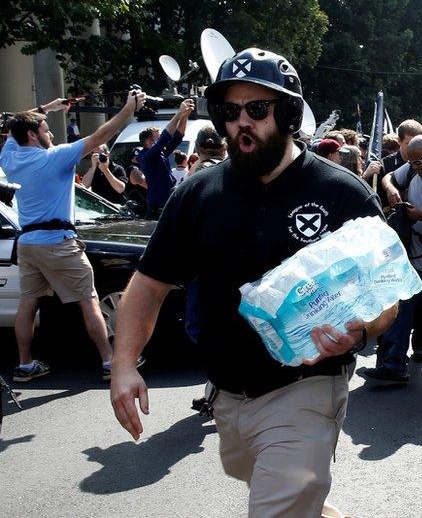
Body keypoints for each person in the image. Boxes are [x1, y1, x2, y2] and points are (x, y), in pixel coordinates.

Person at [109, 48, 396, 517]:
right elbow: (148, 284)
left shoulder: (341, 193)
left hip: (307, 386)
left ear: (287, 114)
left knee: (277, 505)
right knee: (272, 487)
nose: (241, 122)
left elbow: (386, 291)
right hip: (227, 396)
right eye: (229, 111)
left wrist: (362, 331)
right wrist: (123, 363)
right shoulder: (197, 194)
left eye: (257, 109)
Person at [1, 89, 147, 382]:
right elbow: (99, 136)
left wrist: (47, 107)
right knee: (88, 300)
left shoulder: (10, 156)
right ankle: (109, 361)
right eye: (45, 129)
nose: (51, 134)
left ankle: (25, 365)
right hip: (58, 242)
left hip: (27, 244)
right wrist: (127, 110)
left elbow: (12, 125)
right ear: (32, 136)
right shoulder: (55, 157)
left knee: (27, 305)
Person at [365, 135, 422, 382]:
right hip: (411, 259)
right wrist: (391, 188)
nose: (413, 168)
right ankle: (394, 365)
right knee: (401, 311)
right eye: (410, 163)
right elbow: (388, 176)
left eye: (417, 163)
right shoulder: (412, 168)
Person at [138, 99, 194, 219]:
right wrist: (179, 113)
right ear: (148, 142)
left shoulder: (159, 153)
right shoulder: (146, 157)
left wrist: (185, 116)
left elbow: (177, 137)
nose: (160, 142)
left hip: (168, 202)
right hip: (157, 210)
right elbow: (165, 137)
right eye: (156, 139)